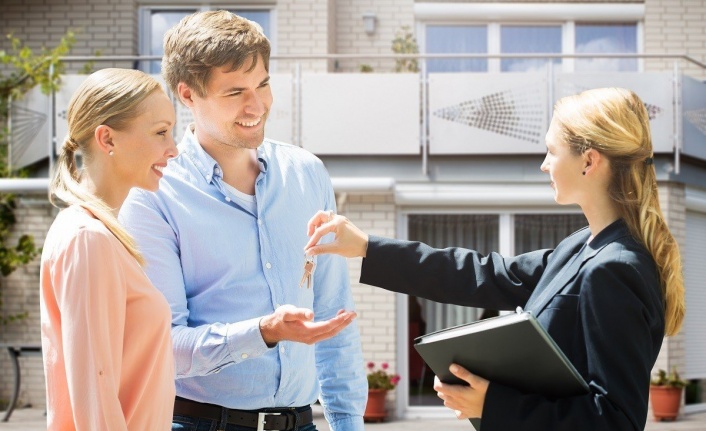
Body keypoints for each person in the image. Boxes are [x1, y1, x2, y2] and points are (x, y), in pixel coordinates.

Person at [305, 87, 685, 430]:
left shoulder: (614, 267)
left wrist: (493, 404)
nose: (543, 163)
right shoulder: (582, 245)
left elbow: (616, 422)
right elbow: (484, 273)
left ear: (589, 161)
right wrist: (367, 246)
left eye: (551, 151)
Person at [119, 10, 367, 431]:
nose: (257, 105)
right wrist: (264, 332)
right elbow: (164, 346)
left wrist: (348, 424)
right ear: (188, 95)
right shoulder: (151, 196)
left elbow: (333, 315)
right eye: (235, 92)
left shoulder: (306, 173)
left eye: (263, 84)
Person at [39, 68, 178, 430]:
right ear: (107, 139)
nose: (173, 149)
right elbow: (96, 399)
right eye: (161, 132)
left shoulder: (99, 235)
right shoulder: (88, 239)